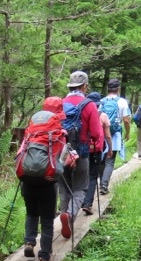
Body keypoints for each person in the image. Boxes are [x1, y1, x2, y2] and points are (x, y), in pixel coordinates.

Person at [19, 97, 67, 261]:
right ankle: (44, 257)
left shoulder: (31, 131)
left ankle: (29, 242)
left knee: (31, 213)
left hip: (27, 180)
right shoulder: (59, 134)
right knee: (47, 219)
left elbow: (21, 152)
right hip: (47, 182)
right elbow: (61, 163)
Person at [58, 71, 104, 238]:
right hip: (81, 153)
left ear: (70, 86)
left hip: (61, 154)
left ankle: (64, 214)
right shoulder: (89, 104)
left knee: (64, 188)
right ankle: (69, 216)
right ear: (84, 86)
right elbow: (97, 133)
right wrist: (97, 149)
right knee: (81, 187)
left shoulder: (60, 103)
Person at [80, 92, 112, 215]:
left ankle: (79, 200)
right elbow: (108, 135)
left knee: (83, 175)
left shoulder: (82, 113)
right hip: (96, 149)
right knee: (93, 176)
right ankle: (88, 204)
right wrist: (110, 148)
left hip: (82, 148)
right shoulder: (103, 116)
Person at [98, 79, 131, 195]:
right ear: (118, 89)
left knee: (102, 160)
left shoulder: (101, 101)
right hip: (115, 134)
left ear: (108, 89)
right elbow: (126, 119)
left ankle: (101, 182)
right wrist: (127, 133)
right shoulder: (122, 102)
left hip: (101, 133)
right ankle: (104, 185)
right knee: (110, 160)